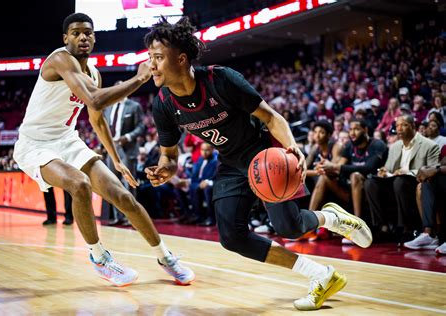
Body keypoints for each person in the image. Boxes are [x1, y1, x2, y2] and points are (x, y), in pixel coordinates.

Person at [143, 17, 372, 311]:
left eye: (158, 58)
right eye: (150, 58)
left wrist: (292, 147)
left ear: (181, 58)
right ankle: (320, 274)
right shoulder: (162, 103)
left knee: (289, 227)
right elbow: (170, 155)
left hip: (265, 153)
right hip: (230, 162)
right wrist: (166, 168)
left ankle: (332, 218)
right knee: (232, 237)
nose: (152, 65)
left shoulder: (220, 79)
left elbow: (271, 117)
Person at [13, 13, 194, 287]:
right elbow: (94, 98)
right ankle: (99, 257)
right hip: (35, 144)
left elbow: (96, 117)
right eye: (75, 33)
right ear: (66, 39)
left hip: (67, 140)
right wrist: (139, 79)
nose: (82, 37)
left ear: (95, 37)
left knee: (124, 196)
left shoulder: (93, 73)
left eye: (87, 32)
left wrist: (117, 159)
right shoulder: (60, 59)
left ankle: (165, 257)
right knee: (79, 184)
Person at [364, 114, 440, 243]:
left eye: (404, 125)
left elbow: (431, 170)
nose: (399, 128)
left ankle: (407, 229)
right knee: (370, 183)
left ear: (413, 126)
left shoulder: (429, 145)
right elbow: (388, 168)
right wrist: (384, 171)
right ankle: (383, 227)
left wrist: (407, 172)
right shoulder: (395, 146)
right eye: (397, 125)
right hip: (394, 182)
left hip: (414, 183)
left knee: (400, 182)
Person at [103, 80, 145, 226]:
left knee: (129, 184)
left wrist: (127, 137)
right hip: (112, 148)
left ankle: (131, 217)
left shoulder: (134, 106)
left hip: (127, 149)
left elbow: (141, 127)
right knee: (113, 184)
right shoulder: (108, 107)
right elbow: (103, 128)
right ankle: (117, 216)